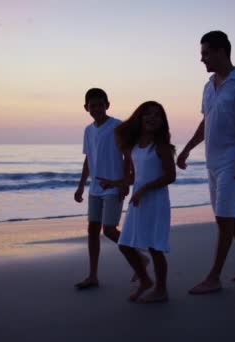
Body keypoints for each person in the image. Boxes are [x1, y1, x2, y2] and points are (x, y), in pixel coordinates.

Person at [177, 31, 235, 294]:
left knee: (224, 218)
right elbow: (207, 122)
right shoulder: (208, 86)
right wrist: (187, 149)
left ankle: (214, 277)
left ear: (221, 51)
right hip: (212, 163)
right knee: (228, 215)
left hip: (231, 162)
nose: (202, 59)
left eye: (205, 53)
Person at [99, 101, 176, 303]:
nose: (153, 118)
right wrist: (115, 183)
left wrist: (144, 189)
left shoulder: (161, 146)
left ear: (162, 121)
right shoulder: (135, 147)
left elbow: (170, 176)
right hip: (139, 201)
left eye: (158, 115)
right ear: (139, 118)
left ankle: (161, 290)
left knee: (155, 247)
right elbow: (136, 177)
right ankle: (145, 280)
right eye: (148, 114)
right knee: (125, 244)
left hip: (156, 201)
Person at [74, 88, 146, 289]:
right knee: (93, 230)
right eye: (92, 105)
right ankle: (93, 275)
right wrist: (81, 186)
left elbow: (127, 156)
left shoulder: (117, 127)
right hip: (95, 188)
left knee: (109, 230)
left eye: (100, 104)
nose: (96, 108)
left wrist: (124, 181)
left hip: (113, 186)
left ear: (107, 104)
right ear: (86, 108)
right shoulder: (88, 130)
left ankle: (139, 257)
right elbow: (89, 159)